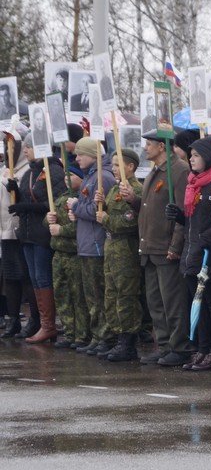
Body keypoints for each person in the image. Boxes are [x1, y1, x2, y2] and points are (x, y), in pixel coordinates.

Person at [165, 136, 211, 372]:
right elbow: (195, 218)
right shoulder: (195, 183)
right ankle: (201, 349)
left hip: (209, 254)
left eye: (196, 155)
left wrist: (207, 237)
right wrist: (180, 216)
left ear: (208, 157)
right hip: (192, 252)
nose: (191, 159)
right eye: (190, 155)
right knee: (197, 305)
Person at [135, 130, 190, 366]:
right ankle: (165, 344)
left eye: (149, 144)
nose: (146, 148)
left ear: (161, 147)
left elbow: (181, 213)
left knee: (172, 301)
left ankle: (180, 346)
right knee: (156, 302)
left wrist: (176, 245)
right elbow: (151, 207)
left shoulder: (178, 171)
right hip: (150, 246)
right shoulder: (154, 171)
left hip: (166, 247)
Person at [10, 135, 67, 343]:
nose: (25, 151)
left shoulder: (53, 171)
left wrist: (27, 207)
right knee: (34, 278)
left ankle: (49, 325)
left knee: (43, 278)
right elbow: (26, 197)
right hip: (27, 233)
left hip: (41, 233)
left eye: (30, 147)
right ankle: (42, 322)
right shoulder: (30, 172)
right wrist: (15, 192)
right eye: (25, 147)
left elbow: (55, 203)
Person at [94, 149, 144, 362]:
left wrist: (105, 217)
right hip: (111, 247)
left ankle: (128, 341)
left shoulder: (133, 190)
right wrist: (102, 202)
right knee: (111, 293)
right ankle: (115, 335)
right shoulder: (116, 187)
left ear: (130, 167)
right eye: (112, 164)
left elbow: (129, 222)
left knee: (126, 295)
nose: (113, 169)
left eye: (117, 165)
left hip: (126, 249)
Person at [69, 138, 114, 354]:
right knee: (92, 296)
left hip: (97, 245)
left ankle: (106, 335)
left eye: (81, 154)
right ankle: (97, 335)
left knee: (100, 293)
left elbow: (97, 212)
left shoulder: (102, 177)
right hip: (87, 243)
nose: (76, 159)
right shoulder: (90, 177)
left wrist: (76, 206)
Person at [0, 129, 39, 339]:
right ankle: (12, 319)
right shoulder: (5, 170)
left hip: (19, 230)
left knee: (26, 277)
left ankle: (34, 319)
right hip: (5, 231)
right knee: (10, 277)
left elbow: (26, 196)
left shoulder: (25, 170)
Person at [46, 170, 85, 348]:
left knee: (79, 297)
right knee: (62, 295)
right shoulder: (61, 197)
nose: (67, 179)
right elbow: (47, 223)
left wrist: (62, 230)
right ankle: (70, 332)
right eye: (65, 175)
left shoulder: (81, 198)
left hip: (74, 253)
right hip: (59, 253)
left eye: (72, 175)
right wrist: (48, 219)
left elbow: (81, 228)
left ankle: (82, 335)